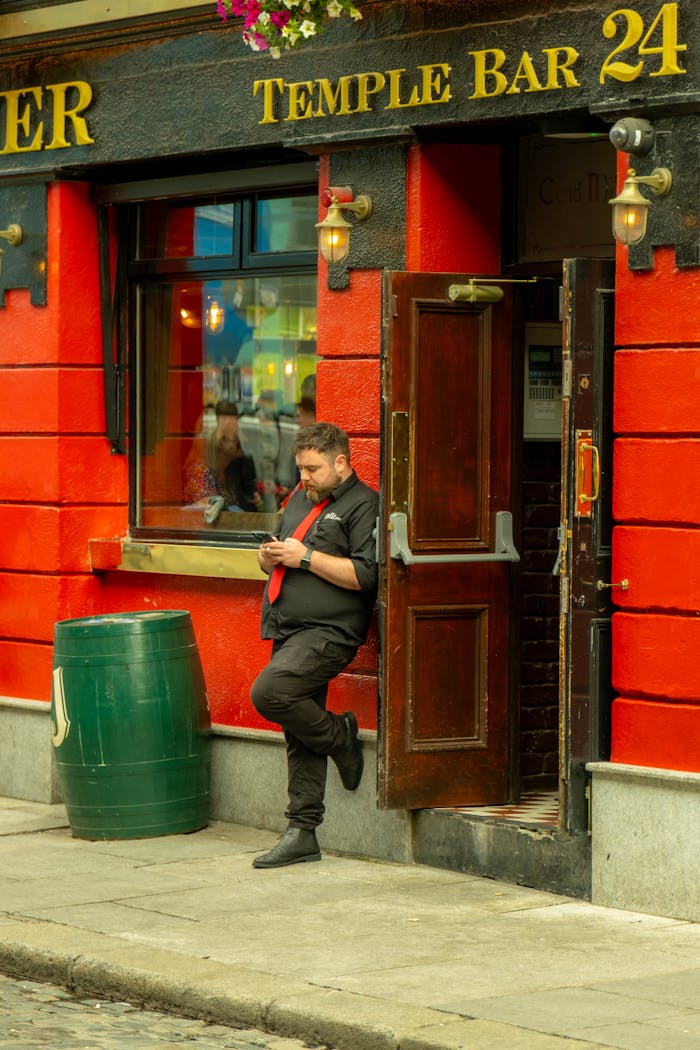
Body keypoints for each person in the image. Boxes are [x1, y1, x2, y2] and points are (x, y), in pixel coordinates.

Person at [250, 422, 379, 868]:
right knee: (298, 731)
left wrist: (303, 556)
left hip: (329, 632)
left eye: (313, 469)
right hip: (288, 627)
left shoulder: (364, 505)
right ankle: (303, 831)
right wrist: (268, 557)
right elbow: (280, 553)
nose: (304, 478)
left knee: (270, 693)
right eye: (301, 468)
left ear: (341, 462)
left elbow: (365, 575)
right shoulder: (300, 500)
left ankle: (341, 738)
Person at [184, 401, 260, 512]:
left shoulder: (229, 473)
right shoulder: (200, 473)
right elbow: (210, 517)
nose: (244, 441)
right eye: (236, 434)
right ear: (220, 442)